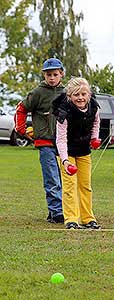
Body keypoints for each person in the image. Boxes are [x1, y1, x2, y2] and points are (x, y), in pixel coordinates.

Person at [14, 58, 65, 224]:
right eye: (48, 74)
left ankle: (65, 209)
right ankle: (56, 212)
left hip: (63, 143)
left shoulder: (67, 93)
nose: (52, 78)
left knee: (65, 178)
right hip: (45, 142)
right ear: (44, 75)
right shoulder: (38, 93)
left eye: (55, 74)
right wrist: (21, 129)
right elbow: (21, 109)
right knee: (52, 178)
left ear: (61, 74)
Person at [53, 77, 101, 230]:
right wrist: (65, 161)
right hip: (67, 152)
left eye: (83, 94)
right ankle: (71, 219)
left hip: (84, 151)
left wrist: (94, 138)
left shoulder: (94, 107)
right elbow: (60, 139)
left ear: (89, 94)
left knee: (85, 185)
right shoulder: (64, 112)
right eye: (76, 95)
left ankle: (88, 218)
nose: (80, 98)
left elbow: (96, 123)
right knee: (69, 186)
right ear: (69, 96)